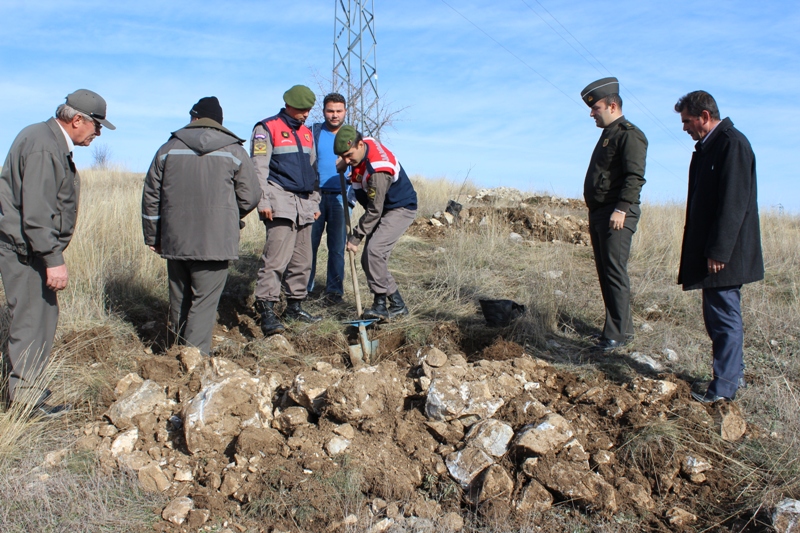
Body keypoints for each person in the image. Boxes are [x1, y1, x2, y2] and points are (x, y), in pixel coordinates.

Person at [0, 89, 114, 415]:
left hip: (30, 249)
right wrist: (53, 259)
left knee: (40, 318)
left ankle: (29, 386)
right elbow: (36, 212)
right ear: (76, 120)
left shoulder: (46, 141)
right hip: (26, 252)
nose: (99, 133)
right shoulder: (43, 147)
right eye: (97, 125)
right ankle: (24, 402)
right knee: (31, 321)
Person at [142, 97, 259, 355]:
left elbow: (151, 196)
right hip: (216, 242)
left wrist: (153, 236)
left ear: (194, 118)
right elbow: (250, 196)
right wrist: (228, 216)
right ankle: (192, 367)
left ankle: (174, 355)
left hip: (175, 239)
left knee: (179, 300)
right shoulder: (234, 151)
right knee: (203, 305)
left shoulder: (167, 149)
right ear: (219, 123)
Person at [674, 90, 763, 403]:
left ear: (704, 117)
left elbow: (733, 204)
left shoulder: (732, 145)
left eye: (687, 121)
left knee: (724, 318)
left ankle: (723, 389)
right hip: (714, 253)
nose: (685, 128)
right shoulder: (710, 147)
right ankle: (730, 375)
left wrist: (719, 251)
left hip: (725, 256)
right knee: (718, 317)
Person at [580, 77, 647, 351]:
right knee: (606, 271)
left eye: (595, 107)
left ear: (612, 105)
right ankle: (622, 329)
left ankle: (616, 334)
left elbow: (634, 177)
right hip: (600, 213)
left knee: (614, 272)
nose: (591, 113)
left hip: (616, 214)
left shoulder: (629, 134)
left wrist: (621, 209)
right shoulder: (608, 135)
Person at [251, 85, 322, 335]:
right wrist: (263, 201)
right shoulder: (266, 128)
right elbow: (258, 169)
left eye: (309, 110)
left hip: (304, 204)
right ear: (289, 105)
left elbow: (314, 172)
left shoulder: (307, 134)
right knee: (275, 259)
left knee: (303, 260)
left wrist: (314, 202)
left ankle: (295, 307)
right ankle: (267, 310)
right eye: (303, 110)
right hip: (279, 200)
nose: (306, 114)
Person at [333, 125, 417, 320]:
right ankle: (397, 304)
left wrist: (356, 237)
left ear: (360, 145)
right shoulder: (362, 149)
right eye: (343, 157)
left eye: (349, 155)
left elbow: (374, 210)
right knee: (369, 259)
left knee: (374, 252)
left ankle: (380, 304)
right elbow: (358, 179)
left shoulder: (378, 170)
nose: (347, 160)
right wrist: (347, 165)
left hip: (400, 208)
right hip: (383, 209)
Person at [308, 93, 348, 305]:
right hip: (315, 197)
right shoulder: (312, 132)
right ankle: (304, 289)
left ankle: (334, 293)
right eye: (330, 111)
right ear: (323, 111)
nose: (334, 115)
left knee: (337, 248)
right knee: (308, 245)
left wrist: (351, 197)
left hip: (341, 197)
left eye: (338, 111)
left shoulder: (352, 135)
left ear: (345, 112)